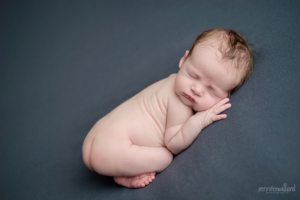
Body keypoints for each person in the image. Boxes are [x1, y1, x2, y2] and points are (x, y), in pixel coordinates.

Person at [82, 29, 253, 188]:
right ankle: (125, 174)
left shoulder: (170, 81)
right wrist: (199, 120)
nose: (197, 90)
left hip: (96, 136)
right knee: (165, 157)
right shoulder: (180, 104)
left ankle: (120, 167)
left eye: (211, 90)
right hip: (110, 150)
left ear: (226, 97)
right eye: (193, 75)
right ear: (183, 60)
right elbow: (174, 143)